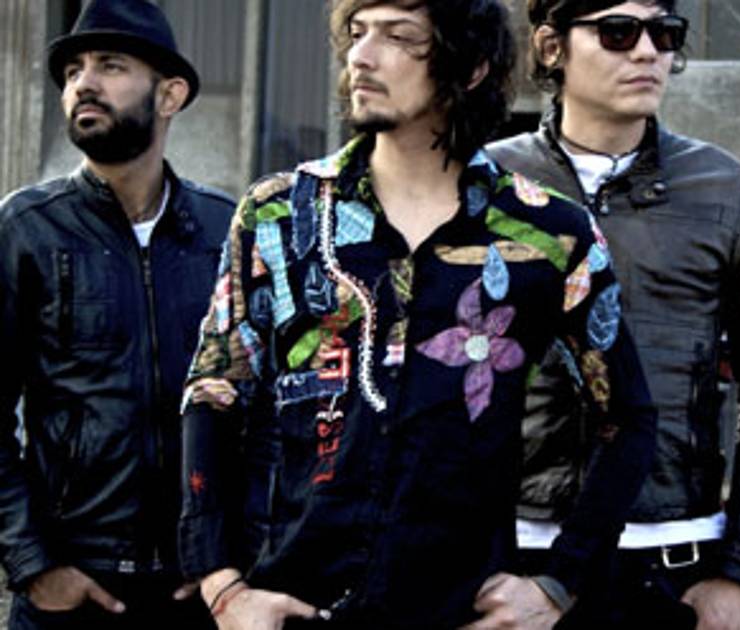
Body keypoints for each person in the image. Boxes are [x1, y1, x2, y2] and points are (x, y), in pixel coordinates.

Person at [177, 1, 657, 628]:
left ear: (472, 68)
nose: (361, 57)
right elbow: (214, 392)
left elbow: (628, 417)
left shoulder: (548, 233)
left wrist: (559, 583)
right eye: (357, 33)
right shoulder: (279, 215)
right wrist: (221, 584)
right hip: (295, 604)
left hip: (463, 609)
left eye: (399, 37)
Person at [486, 0, 740, 627]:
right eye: (618, 32)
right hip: (510, 555)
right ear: (551, 46)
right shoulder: (490, 179)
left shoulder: (724, 187)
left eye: (665, 33)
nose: (648, 51)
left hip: (673, 557)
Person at [0, 0, 234, 627]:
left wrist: (233, 560)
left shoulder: (224, 230)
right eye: (73, 70)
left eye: (110, 65)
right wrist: (33, 565)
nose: (84, 83)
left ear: (170, 95)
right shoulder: (26, 229)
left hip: (198, 593)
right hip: (70, 592)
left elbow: (259, 411)